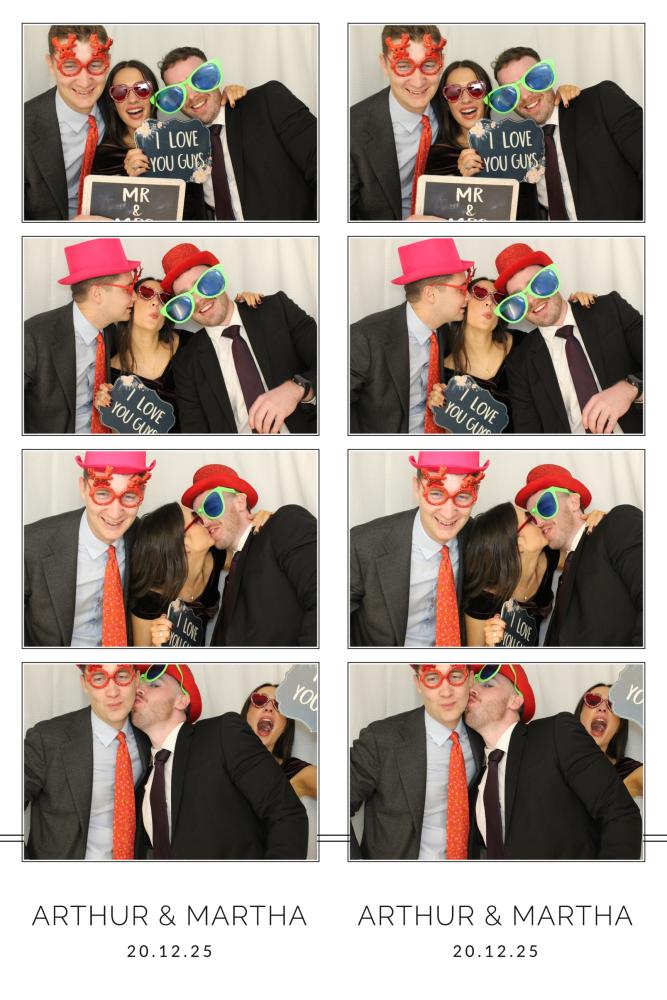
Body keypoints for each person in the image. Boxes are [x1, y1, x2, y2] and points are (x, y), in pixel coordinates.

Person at [465, 664, 642, 859]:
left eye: (488, 685)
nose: (472, 690)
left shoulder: (555, 733)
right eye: (471, 685)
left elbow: (620, 814)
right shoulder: (476, 782)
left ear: (515, 700)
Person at [132, 664, 308, 859]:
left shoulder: (222, 733)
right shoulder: (143, 780)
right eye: (137, 685)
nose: (138, 689)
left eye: (154, 684)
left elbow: (286, 813)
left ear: (182, 700)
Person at [151, 463, 317, 647]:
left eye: (211, 507)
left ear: (240, 502)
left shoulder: (284, 523)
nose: (205, 521)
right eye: (199, 516)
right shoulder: (231, 576)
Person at [163, 243, 317, 434]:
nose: (198, 300)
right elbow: (195, 434)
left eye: (203, 284)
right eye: (185, 298)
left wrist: (298, 388)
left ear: (219, 279)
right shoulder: (186, 363)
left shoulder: (277, 310)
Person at [496, 243, 643, 433]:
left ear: (552, 278)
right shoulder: (520, 364)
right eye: (518, 299)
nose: (531, 300)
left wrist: (631, 388)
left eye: (537, 284)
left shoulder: (610, 310)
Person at [157, 46, 316, 220]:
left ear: (214, 77)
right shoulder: (183, 149)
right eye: (177, 93)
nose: (191, 96)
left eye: (199, 80)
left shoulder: (266, 102)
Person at [350, 450, 488, 647]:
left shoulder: (479, 538)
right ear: (416, 488)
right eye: (436, 493)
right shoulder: (363, 544)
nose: (449, 513)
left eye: (463, 496)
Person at [492, 46, 643, 220]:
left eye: (532, 80)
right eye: (511, 92)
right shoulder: (515, 151)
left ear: (547, 77)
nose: (525, 96)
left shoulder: (599, 102)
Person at [350, 664, 484, 859]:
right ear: (418, 683)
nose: (446, 692)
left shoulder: (482, 739)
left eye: (455, 676)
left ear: (470, 679)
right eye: (432, 679)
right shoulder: (381, 739)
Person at [24, 451, 155, 647]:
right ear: (83, 488)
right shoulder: (29, 544)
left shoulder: (145, 537)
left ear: (142, 493)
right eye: (103, 493)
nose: (115, 513)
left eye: (129, 496)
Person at [91, 60, 246, 220]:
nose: (132, 100)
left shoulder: (184, 143)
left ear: (155, 96)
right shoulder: (104, 157)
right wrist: (130, 183)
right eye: (120, 92)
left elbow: (201, 206)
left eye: (142, 89)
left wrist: (227, 100)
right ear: (113, 103)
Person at [424, 60, 579, 220]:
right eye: (453, 92)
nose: (465, 100)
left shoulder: (518, 144)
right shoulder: (438, 156)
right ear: (446, 103)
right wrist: (463, 184)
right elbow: (437, 221)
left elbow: (537, 204)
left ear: (488, 97)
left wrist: (561, 101)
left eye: (475, 89)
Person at [24, 664, 150, 860]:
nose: (113, 692)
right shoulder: (47, 739)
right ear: (84, 684)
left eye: (122, 676)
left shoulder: (147, 739)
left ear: (136, 679)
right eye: (99, 679)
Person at [350, 238, 475, 433]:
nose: (468, 297)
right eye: (461, 289)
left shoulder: (443, 331)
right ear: (431, 294)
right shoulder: (365, 338)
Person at [515, 463, 643, 646]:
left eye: (545, 506)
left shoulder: (616, 523)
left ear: (574, 502)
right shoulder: (564, 578)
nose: (540, 522)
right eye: (532, 517)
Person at [25, 238, 141, 434]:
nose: (135, 297)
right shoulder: (33, 337)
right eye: (128, 289)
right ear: (97, 294)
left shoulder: (110, 332)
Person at [462, 501, 606, 647]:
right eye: (530, 518)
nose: (540, 519)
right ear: (518, 544)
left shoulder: (549, 556)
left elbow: (586, 558)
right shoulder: (482, 600)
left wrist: (599, 527)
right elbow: (475, 659)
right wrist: (489, 648)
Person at [129, 501, 272, 647]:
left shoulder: (216, 556)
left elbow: (251, 558)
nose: (206, 520)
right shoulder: (150, 599)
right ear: (184, 545)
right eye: (197, 519)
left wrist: (265, 526)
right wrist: (156, 648)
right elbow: (141, 658)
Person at [350, 25, 448, 220]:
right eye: (403, 66)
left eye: (429, 64)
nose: (418, 82)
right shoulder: (350, 128)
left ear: (442, 62)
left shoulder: (451, 106)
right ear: (384, 64)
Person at [24, 25, 112, 220]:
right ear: (50, 64)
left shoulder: (118, 107)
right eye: (70, 66)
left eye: (95, 64)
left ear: (108, 61)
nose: (84, 82)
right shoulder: (22, 126)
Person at [242, 683, 317, 799]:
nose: (269, 708)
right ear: (246, 714)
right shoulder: (220, 754)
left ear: (285, 727)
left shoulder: (292, 771)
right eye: (260, 700)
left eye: (279, 705)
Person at [575, 683, 643, 798]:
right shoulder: (554, 755)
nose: (602, 708)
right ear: (580, 714)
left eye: (613, 705)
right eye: (593, 700)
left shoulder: (627, 770)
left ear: (619, 726)